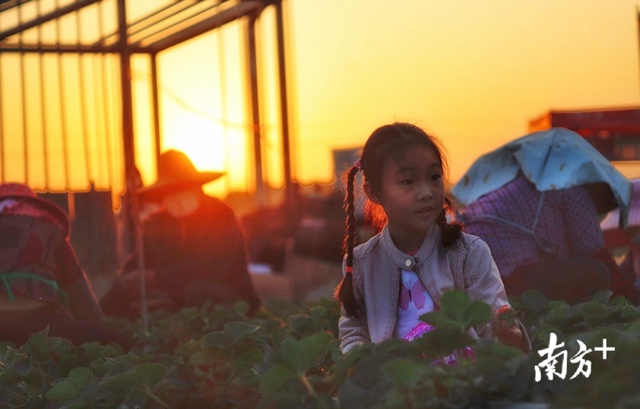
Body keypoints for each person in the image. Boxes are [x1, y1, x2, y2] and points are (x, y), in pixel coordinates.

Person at [334, 122, 530, 354]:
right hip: (396, 385)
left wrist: (507, 333)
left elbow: (491, 319)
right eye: (408, 181)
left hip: (462, 381)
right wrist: (362, 363)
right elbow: (354, 333)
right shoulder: (362, 263)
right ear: (374, 193)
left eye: (434, 177)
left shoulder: (469, 253)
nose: (426, 192)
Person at [101, 150, 261, 318]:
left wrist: (155, 277)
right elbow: (142, 258)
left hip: (230, 296)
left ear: (196, 188)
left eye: (182, 189)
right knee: (121, 294)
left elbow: (211, 267)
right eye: (169, 191)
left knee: (199, 292)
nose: (176, 196)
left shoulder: (221, 215)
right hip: (176, 295)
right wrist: (127, 277)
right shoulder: (158, 222)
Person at [457, 173, 639, 304]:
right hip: (506, 276)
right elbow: (595, 252)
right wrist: (630, 296)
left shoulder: (525, 183)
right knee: (597, 272)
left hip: (471, 271)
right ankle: (578, 328)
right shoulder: (575, 191)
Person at [0, 183, 130, 349]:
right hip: (39, 320)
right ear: (31, 206)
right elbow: (78, 292)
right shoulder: (48, 229)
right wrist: (98, 325)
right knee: (117, 343)